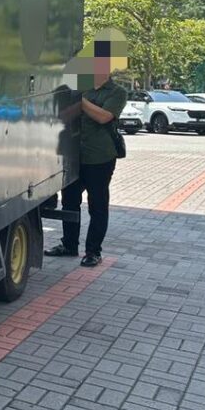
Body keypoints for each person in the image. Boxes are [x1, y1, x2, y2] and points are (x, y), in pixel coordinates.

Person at [46, 29, 128, 267]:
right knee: (70, 201)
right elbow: (65, 115)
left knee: (97, 205)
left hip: (100, 157)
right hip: (75, 155)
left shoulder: (117, 92)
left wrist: (81, 102)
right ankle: (69, 245)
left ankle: (93, 251)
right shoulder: (81, 87)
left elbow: (104, 117)